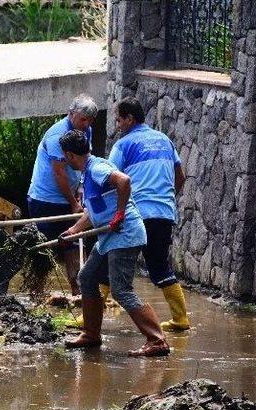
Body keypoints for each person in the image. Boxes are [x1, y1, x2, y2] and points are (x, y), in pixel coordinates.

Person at [59, 130, 169, 357]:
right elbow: (93, 211)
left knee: (121, 289)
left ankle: (157, 340)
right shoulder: (88, 172)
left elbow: (124, 180)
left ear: (70, 155)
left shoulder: (97, 168)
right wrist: (73, 231)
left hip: (124, 234)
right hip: (109, 237)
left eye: (64, 156)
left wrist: (120, 213)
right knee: (87, 277)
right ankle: (91, 334)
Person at [109, 97, 190, 332]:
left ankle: (89, 318)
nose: (117, 125)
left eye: (119, 120)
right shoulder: (165, 140)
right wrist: (166, 200)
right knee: (160, 267)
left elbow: (111, 180)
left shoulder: (123, 145)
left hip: (135, 214)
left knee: (107, 257)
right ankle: (181, 319)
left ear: (129, 119)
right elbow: (180, 177)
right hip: (163, 213)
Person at [27, 94, 98, 295]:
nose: (86, 124)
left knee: (72, 245)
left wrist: (80, 193)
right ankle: (36, 294)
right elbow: (59, 173)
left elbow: (82, 163)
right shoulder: (56, 136)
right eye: (83, 119)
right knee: (44, 247)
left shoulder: (87, 132)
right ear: (71, 114)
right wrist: (74, 204)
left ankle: (77, 291)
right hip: (45, 199)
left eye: (90, 120)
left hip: (70, 195)